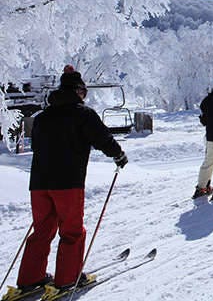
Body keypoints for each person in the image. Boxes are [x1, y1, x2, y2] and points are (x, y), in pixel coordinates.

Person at [9, 66, 127, 298]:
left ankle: (30, 279)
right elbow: (102, 138)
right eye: (84, 92)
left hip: (39, 184)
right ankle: (67, 279)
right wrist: (118, 155)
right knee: (71, 231)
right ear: (79, 91)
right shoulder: (83, 114)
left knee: (42, 230)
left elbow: (37, 147)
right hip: (68, 182)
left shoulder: (42, 118)